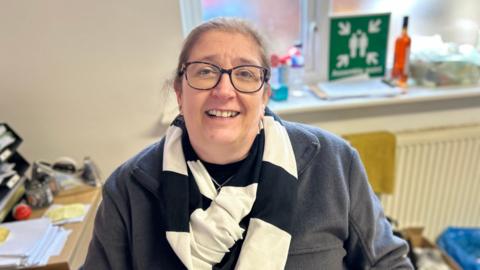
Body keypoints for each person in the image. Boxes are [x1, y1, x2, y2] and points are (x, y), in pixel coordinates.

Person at [82, 18, 413, 269]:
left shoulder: (334, 163)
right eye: (205, 71)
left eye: (245, 74)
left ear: (265, 95)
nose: (224, 90)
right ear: (180, 93)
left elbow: (388, 262)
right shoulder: (128, 189)